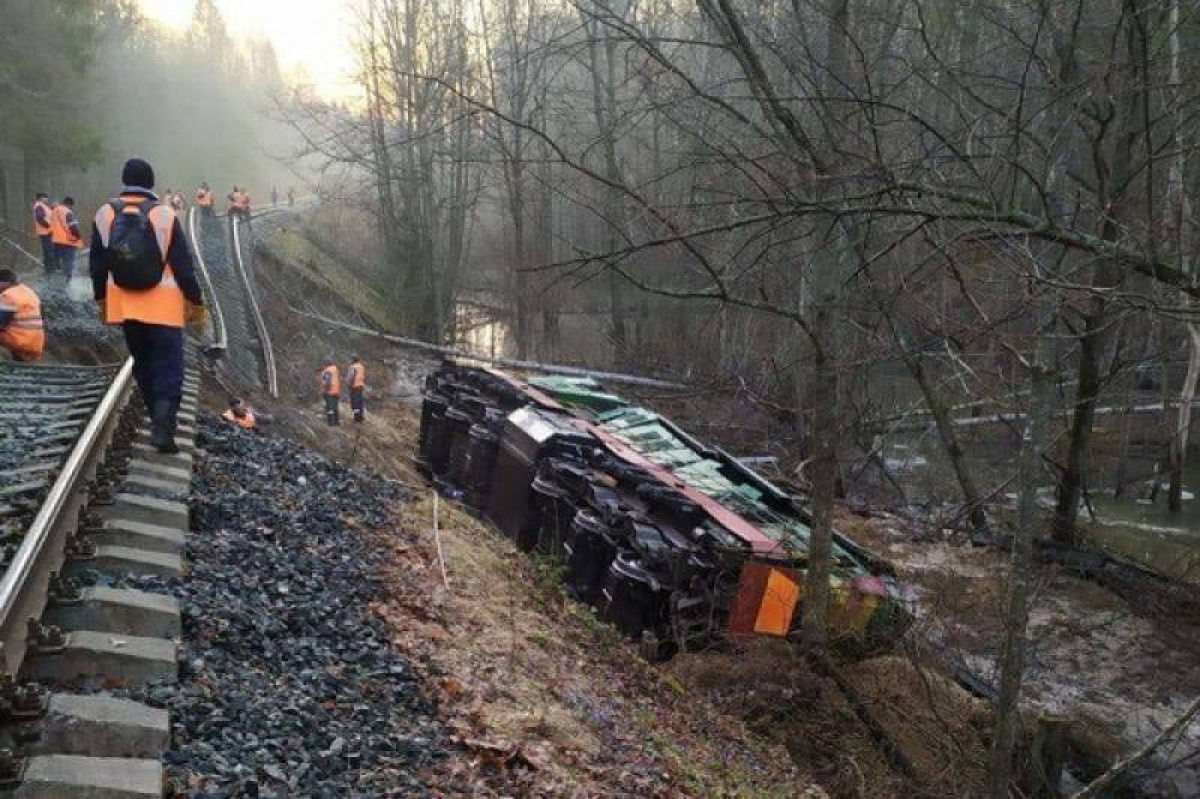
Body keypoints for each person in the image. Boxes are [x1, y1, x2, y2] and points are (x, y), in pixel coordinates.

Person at [91, 157, 207, 453]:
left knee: (143, 364)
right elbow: (183, 266)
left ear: (124, 180)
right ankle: (163, 429)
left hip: (125, 307)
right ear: (151, 183)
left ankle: (157, 416)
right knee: (169, 368)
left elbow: (97, 265)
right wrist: (195, 301)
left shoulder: (105, 214)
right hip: (164, 309)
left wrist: (102, 301)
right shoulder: (164, 215)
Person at [0, 268, 44, 362]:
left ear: (4, 283)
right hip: (34, 343)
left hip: (18, 341)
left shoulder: (8, 296)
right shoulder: (28, 291)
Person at [49, 197, 83, 279]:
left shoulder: (54, 211)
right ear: (69, 204)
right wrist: (78, 236)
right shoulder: (67, 212)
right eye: (71, 206)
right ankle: (67, 281)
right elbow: (73, 227)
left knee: (58, 261)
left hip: (56, 240)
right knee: (68, 262)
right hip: (68, 241)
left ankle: (56, 280)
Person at [32, 193, 54, 272]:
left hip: (46, 231)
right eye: (46, 198)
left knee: (48, 250)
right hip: (46, 232)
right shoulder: (39, 206)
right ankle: (50, 269)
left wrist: (53, 207)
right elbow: (39, 218)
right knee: (49, 250)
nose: (47, 199)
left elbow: (47, 215)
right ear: (41, 198)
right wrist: (49, 226)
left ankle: (49, 268)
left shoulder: (43, 206)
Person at [320, 359, 341, 426]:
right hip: (336, 391)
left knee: (330, 408)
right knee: (335, 408)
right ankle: (337, 422)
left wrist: (325, 390)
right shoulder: (335, 369)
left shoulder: (327, 371)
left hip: (329, 392)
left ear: (326, 363)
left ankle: (331, 423)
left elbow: (327, 382)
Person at [347, 356, 366, 422]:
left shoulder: (352, 367)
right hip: (361, 386)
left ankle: (356, 417)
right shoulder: (361, 367)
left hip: (354, 387)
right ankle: (361, 416)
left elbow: (351, 377)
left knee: (355, 402)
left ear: (353, 360)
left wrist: (350, 385)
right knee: (360, 402)